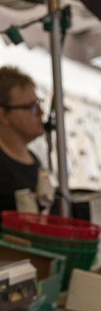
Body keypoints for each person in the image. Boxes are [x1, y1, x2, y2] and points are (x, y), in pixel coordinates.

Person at [0, 66, 46, 213]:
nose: (41, 112)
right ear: (3, 115)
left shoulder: (34, 161)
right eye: (32, 107)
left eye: (38, 104)